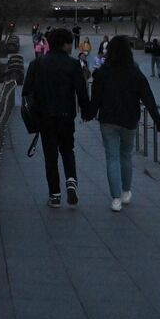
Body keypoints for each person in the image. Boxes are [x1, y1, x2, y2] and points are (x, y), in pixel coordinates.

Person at [85, 36, 160, 212]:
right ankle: (126, 191)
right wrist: (158, 122)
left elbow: (95, 99)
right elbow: (148, 99)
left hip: (108, 120)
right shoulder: (135, 73)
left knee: (112, 157)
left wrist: (89, 114)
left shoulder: (102, 73)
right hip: (130, 120)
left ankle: (115, 199)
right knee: (126, 155)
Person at [22, 28, 91, 208]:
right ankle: (71, 181)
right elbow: (82, 93)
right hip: (66, 116)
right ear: (65, 44)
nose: (72, 47)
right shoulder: (73, 64)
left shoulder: (37, 64)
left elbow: (26, 92)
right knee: (68, 150)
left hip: (45, 119)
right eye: (70, 43)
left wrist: (33, 117)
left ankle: (55, 195)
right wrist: (86, 112)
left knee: (50, 157)